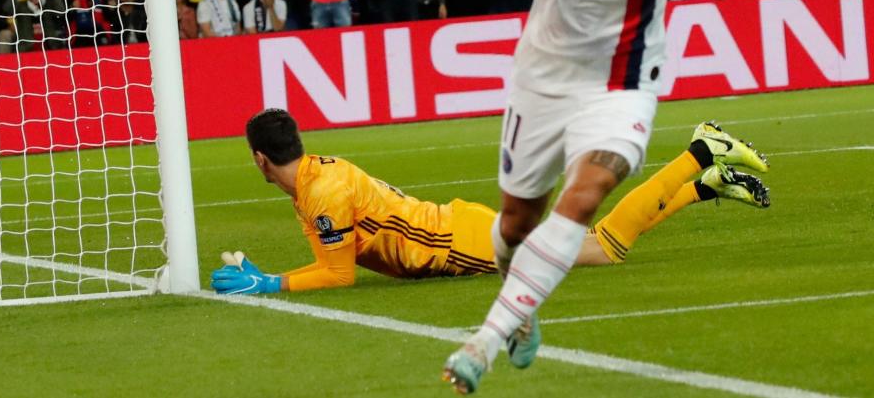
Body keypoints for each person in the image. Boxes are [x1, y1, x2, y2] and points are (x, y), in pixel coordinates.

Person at [440, 0, 764, 393]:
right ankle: (522, 302)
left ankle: (485, 340)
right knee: (512, 227)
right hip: (543, 75)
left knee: (586, 193)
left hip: (624, 79)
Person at [210, 109, 769, 294]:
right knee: (598, 244)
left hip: (463, 244)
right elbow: (337, 256)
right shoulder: (314, 182)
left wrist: (272, 284)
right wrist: (275, 276)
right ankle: (704, 183)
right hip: (457, 228)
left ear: (261, 159)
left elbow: (338, 275)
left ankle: (699, 152)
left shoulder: (322, 192)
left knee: (604, 249)